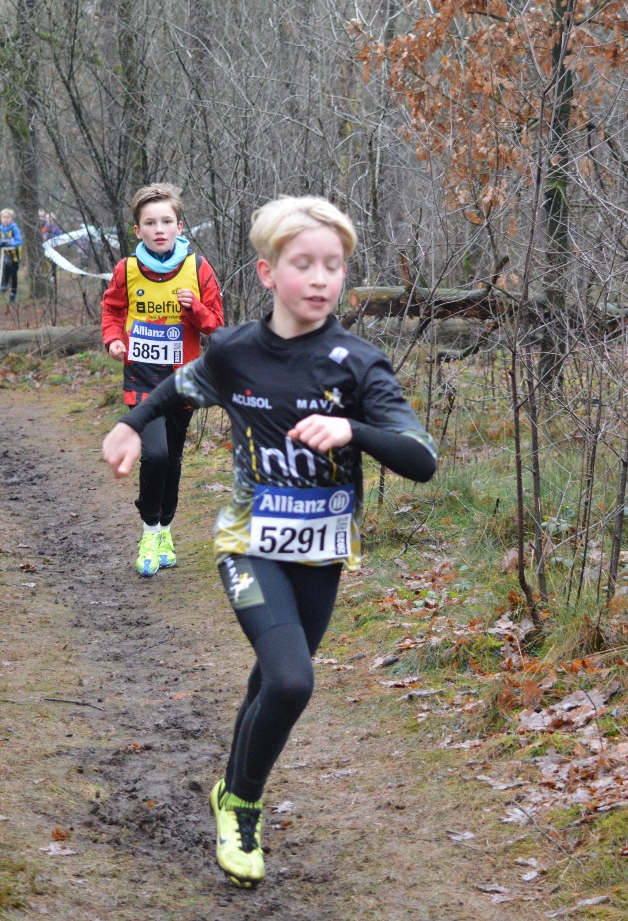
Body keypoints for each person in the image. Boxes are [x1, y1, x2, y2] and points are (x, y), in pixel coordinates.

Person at [101, 196, 438, 888]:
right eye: (303, 264)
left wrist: (353, 431)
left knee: (271, 682)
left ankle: (230, 785)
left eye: (334, 266)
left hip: (320, 550)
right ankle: (243, 807)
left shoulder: (358, 363)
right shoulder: (234, 353)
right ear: (267, 271)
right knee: (291, 677)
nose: (320, 279)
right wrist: (132, 425)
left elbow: (421, 457)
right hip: (249, 541)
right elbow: (178, 387)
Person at [100, 183, 224, 577]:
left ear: (179, 225)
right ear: (137, 229)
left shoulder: (198, 268)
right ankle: (149, 531)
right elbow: (112, 310)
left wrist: (195, 309)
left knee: (171, 458)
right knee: (153, 454)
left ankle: (166, 530)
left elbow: (217, 326)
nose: (159, 229)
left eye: (166, 221)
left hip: (183, 380)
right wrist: (114, 340)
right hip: (142, 376)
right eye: (150, 222)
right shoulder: (127, 269)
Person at [0, 208, 23, 304]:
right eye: (4, 217)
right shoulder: (0, 229)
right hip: (6, 254)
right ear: (1, 219)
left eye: (8, 217)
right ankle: (5, 283)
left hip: (15, 254)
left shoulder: (14, 228)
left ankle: (13, 293)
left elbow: (19, 241)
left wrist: (11, 244)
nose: (5, 219)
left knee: (14, 274)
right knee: (6, 266)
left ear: (12, 219)